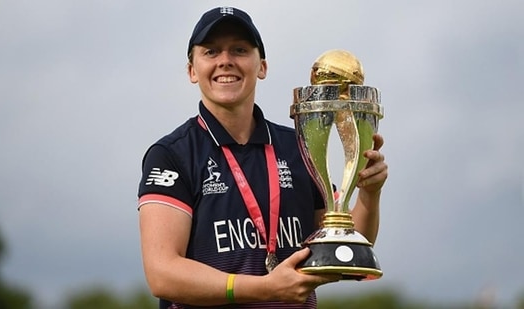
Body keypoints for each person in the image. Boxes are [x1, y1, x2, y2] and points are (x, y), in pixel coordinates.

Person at [137, 6, 388, 309]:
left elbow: (345, 247)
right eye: (211, 52)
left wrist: (369, 195)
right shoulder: (172, 155)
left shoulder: (298, 146)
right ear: (192, 70)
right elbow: (162, 274)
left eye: (240, 50)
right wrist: (265, 289)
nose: (225, 61)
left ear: (262, 66)